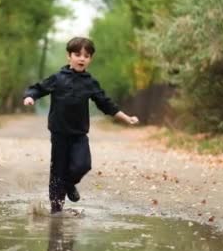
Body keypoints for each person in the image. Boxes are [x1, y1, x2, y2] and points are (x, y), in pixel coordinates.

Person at [23, 37, 139, 214]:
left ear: (90, 59)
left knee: (83, 165)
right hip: (59, 133)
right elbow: (38, 88)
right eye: (77, 54)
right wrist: (30, 96)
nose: (82, 58)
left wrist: (126, 118)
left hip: (79, 135)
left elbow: (106, 103)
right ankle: (56, 211)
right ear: (69, 56)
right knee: (58, 172)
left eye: (86, 55)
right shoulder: (57, 78)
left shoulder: (90, 83)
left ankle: (69, 185)